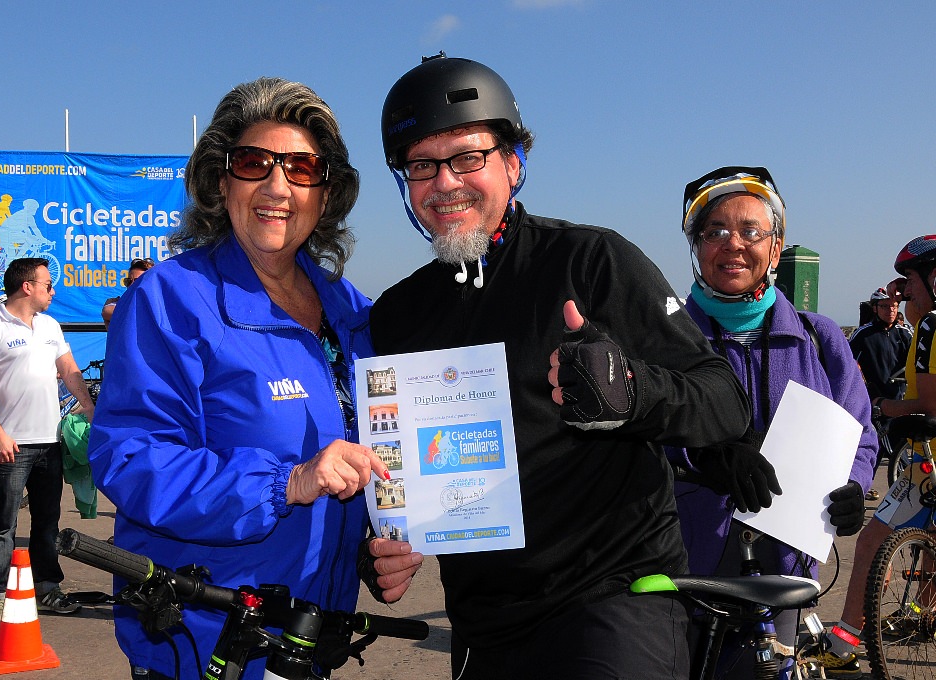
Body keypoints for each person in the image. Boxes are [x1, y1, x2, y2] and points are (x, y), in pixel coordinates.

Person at [365, 54, 750, 680]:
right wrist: (379, 548)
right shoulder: (397, 315)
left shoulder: (589, 261)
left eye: (468, 157)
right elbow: (387, 463)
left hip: (613, 598)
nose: (445, 182)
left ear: (514, 163)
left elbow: (722, 400)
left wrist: (632, 393)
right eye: (421, 165)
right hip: (484, 623)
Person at [87, 78, 387, 680]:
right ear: (220, 183)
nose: (278, 186)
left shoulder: (353, 312)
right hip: (204, 646)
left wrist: (376, 554)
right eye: (255, 164)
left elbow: (370, 459)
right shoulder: (170, 300)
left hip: (307, 644)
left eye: (302, 168)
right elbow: (132, 458)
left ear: (325, 195)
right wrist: (286, 483)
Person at [668, 167, 877, 679]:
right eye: (714, 231)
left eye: (751, 231)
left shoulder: (819, 337)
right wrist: (701, 457)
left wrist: (855, 485)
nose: (733, 244)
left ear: (776, 249)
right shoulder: (666, 336)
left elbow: (860, 433)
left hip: (785, 561)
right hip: (687, 560)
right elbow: (636, 436)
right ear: (697, 247)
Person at [822, 235, 936, 672]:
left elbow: (930, 402)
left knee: (871, 542)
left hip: (925, 455)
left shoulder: (928, 326)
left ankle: (845, 643)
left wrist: (888, 408)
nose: (902, 290)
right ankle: (924, 616)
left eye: (909, 279)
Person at [0, 257, 95, 625]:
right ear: (27, 287)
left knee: (47, 521)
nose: (52, 291)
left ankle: (48, 587)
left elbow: (68, 368)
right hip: (11, 445)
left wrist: (87, 406)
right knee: (4, 524)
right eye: (47, 284)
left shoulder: (50, 325)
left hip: (50, 443)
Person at [849, 287, 911, 404]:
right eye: (885, 306)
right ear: (875, 308)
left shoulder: (905, 334)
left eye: (894, 306)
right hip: (872, 399)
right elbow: (848, 364)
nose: (891, 310)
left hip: (900, 398)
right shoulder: (862, 334)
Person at [100, 257, 155, 328]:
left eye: (137, 281)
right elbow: (107, 312)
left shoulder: (159, 304)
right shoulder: (122, 303)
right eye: (128, 281)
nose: (131, 284)